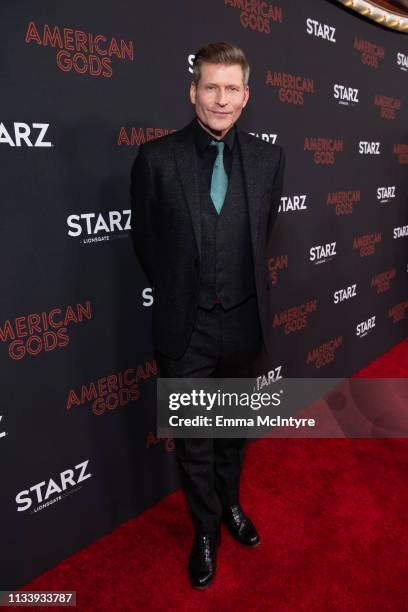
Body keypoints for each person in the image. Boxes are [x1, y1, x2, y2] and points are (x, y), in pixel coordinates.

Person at [130, 42, 286, 589]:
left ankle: (230, 506)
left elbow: (260, 233)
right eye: (210, 87)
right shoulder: (156, 159)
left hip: (245, 323)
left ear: (247, 95)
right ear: (192, 91)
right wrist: (184, 293)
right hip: (186, 326)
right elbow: (147, 245)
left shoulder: (269, 160)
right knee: (195, 438)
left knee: (232, 432)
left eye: (232, 89)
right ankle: (205, 529)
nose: (221, 99)